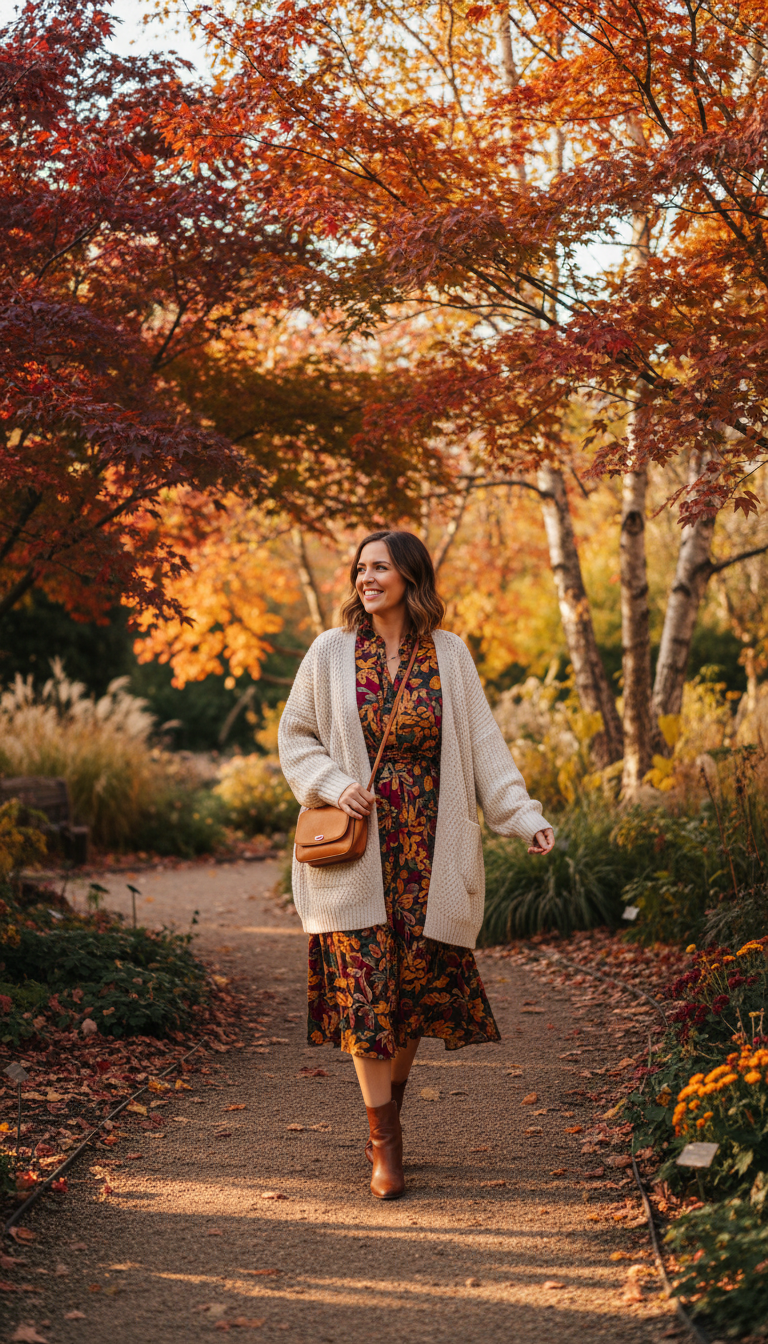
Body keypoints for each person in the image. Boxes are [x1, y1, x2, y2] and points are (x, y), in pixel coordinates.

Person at [278, 529, 554, 1200]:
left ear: (409, 576)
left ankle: (388, 1109)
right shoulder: (330, 651)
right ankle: (385, 1144)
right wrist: (329, 781)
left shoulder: (450, 655)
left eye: (379, 567)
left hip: (430, 853)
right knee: (367, 991)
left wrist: (524, 816)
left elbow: (486, 749)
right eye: (360, 568)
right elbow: (296, 735)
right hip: (356, 851)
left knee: (412, 995)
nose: (366, 578)